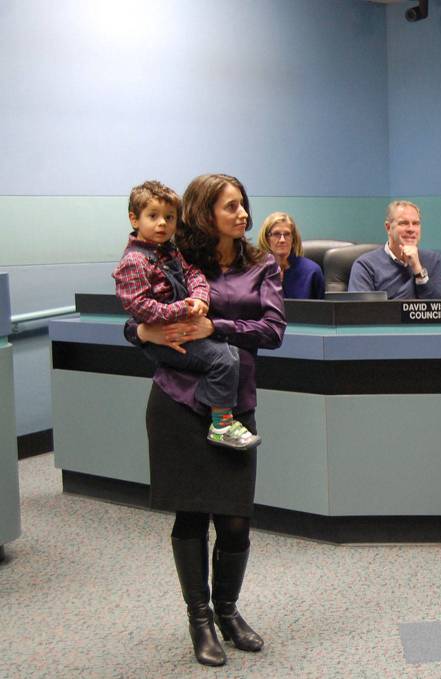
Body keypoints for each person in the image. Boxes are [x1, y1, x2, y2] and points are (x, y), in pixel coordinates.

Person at [125, 173, 286, 667]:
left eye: (244, 205)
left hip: (233, 406)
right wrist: (144, 334)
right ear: (204, 213)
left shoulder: (262, 267)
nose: (242, 215)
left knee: (236, 520)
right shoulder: (174, 258)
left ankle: (229, 611)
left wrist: (216, 324)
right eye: (230, 207)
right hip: (176, 402)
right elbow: (134, 322)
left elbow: (273, 329)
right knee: (191, 514)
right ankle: (200, 620)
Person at [113, 180, 259, 451]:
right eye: (153, 216)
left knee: (227, 357)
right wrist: (152, 327)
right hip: (171, 378)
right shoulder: (135, 261)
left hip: (235, 385)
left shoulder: (172, 252)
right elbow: (138, 310)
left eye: (169, 218)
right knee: (222, 358)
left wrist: (200, 299)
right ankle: (222, 424)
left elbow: (194, 275)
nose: (162, 224)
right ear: (134, 218)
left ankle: (220, 418)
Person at [348, 200, 441, 299]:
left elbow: (437, 310)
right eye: (403, 223)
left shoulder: (432, 260)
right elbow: (359, 311)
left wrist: (418, 270)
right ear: (388, 227)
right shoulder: (365, 266)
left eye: (416, 223)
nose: (411, 229)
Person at [256, 211, 325, 299]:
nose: (282, 240)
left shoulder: (312, 272)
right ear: (266, 238)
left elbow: (322, 311)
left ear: (293, 239)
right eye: (276, 234)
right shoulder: (255, 271)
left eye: (287, 234)